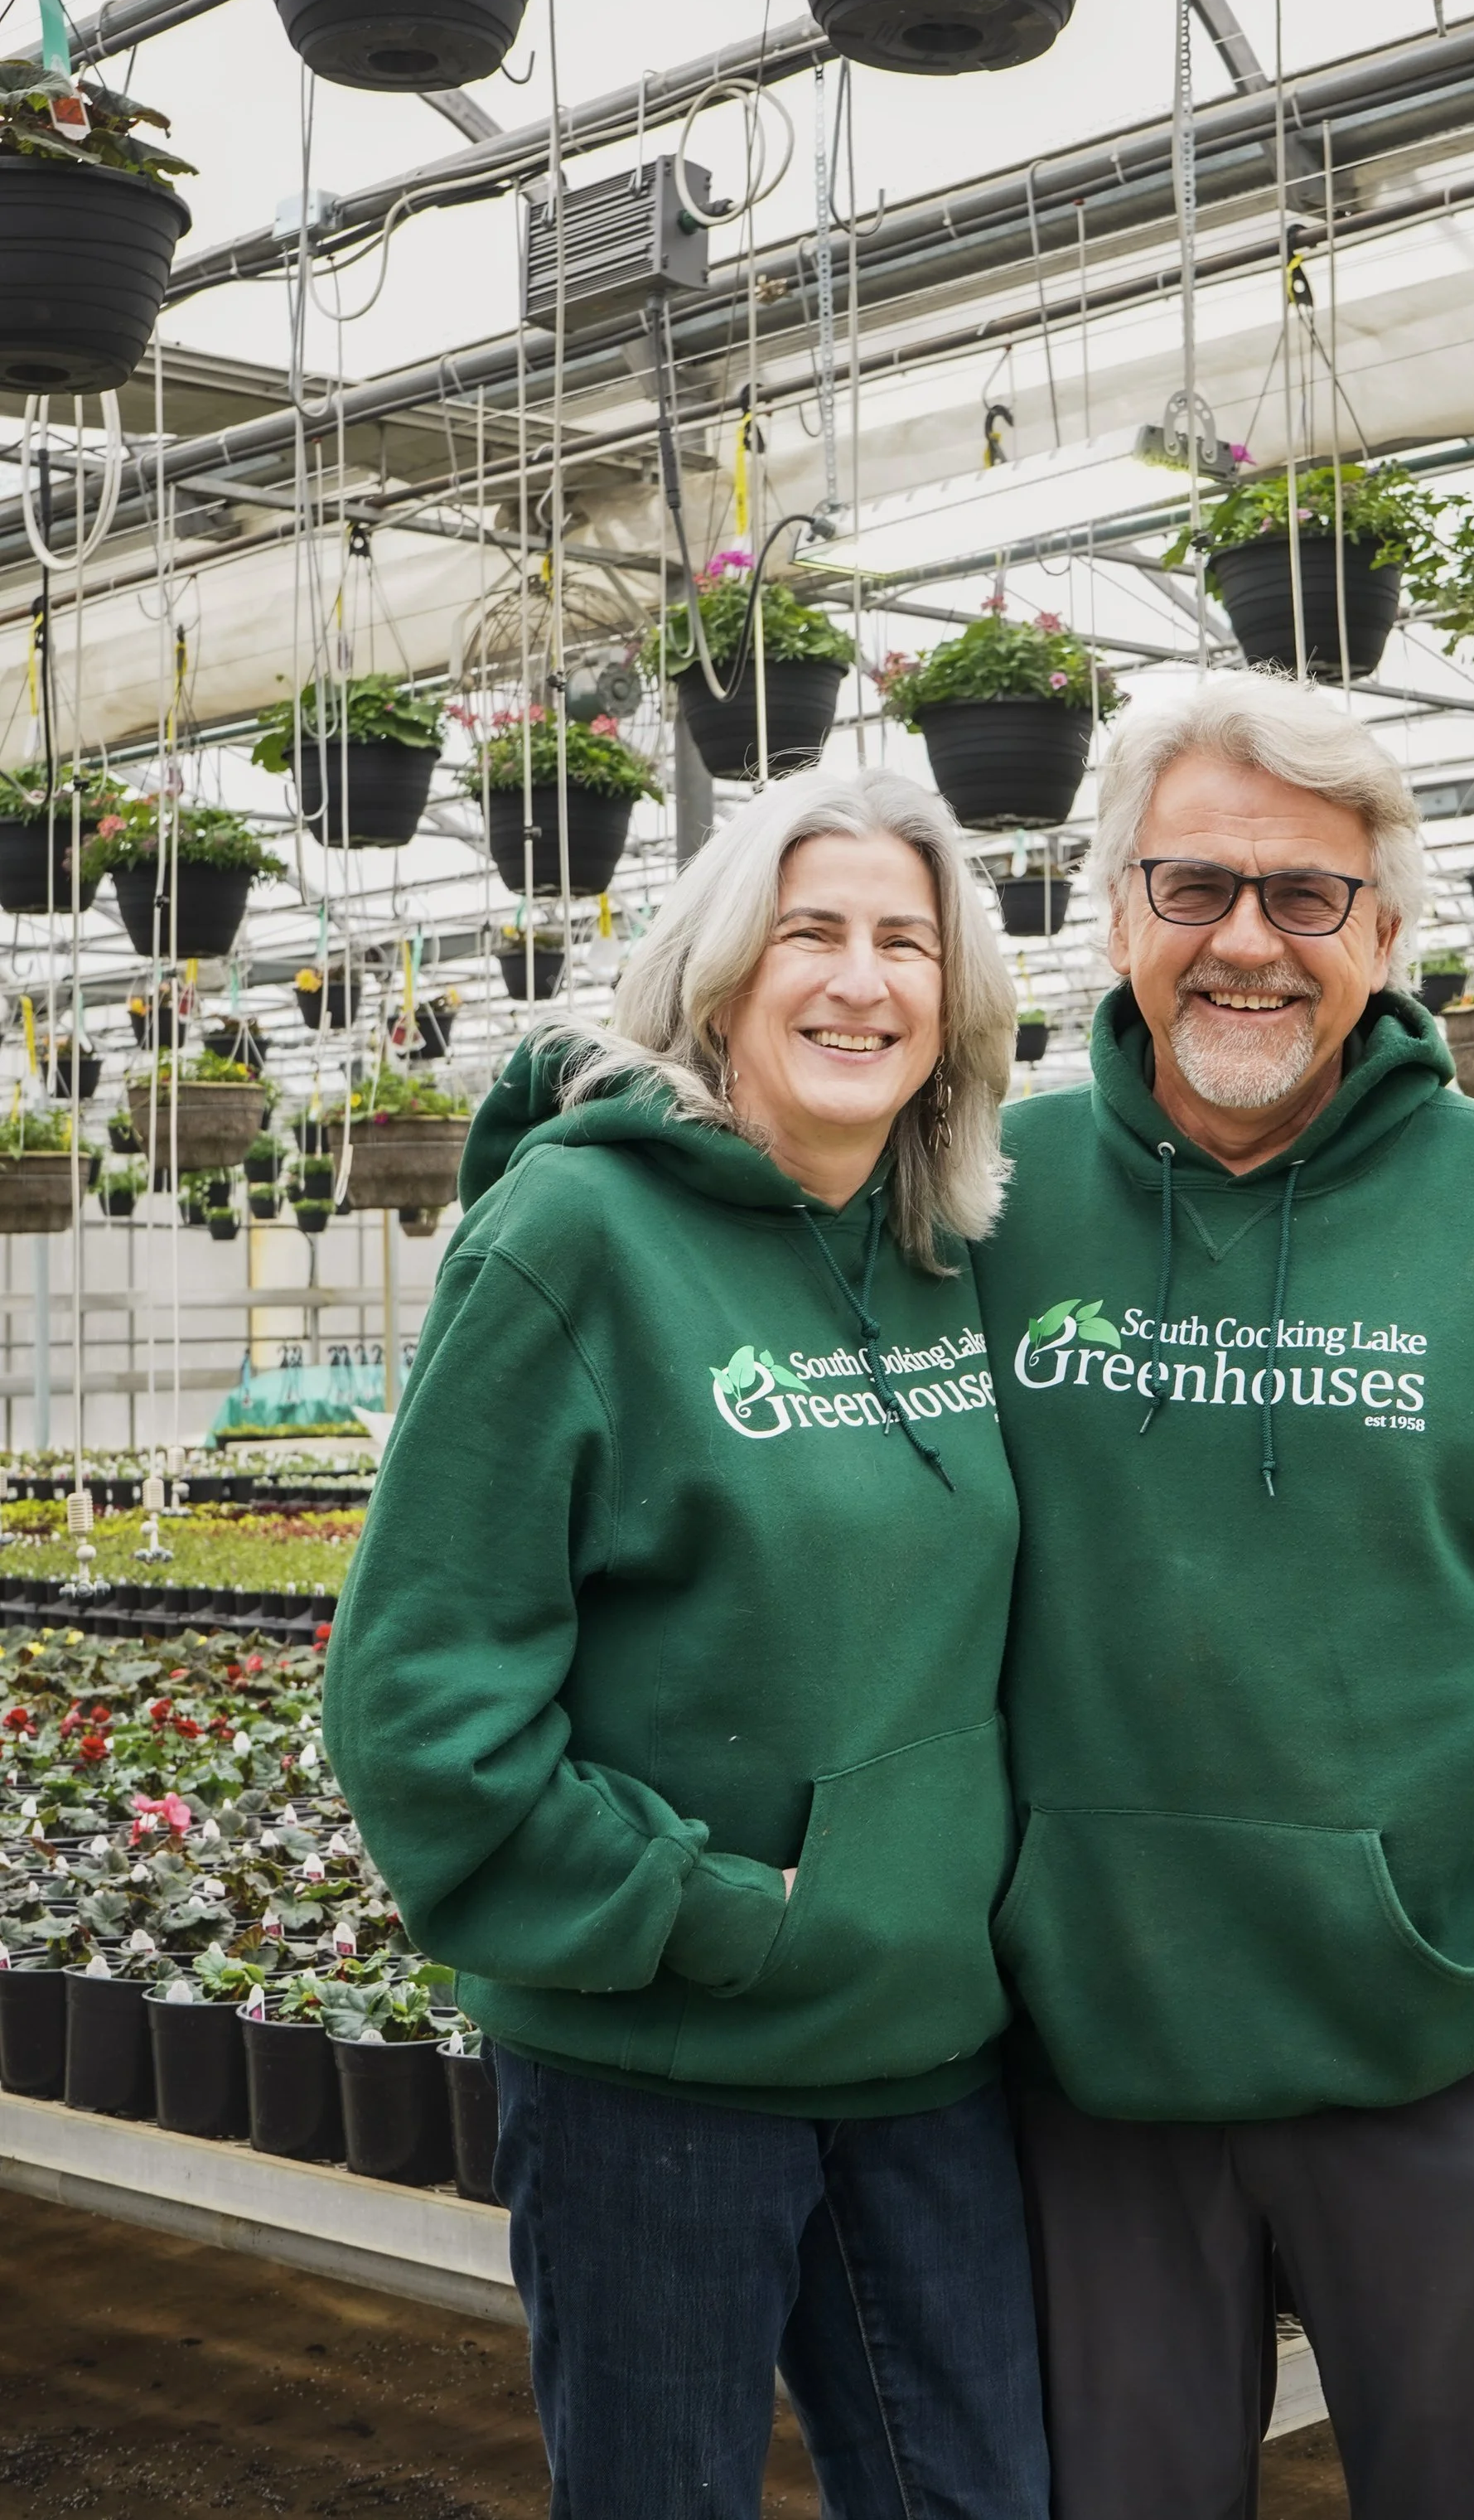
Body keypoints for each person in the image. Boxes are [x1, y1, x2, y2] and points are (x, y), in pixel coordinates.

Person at [970, 670, 1474, 2520]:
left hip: (1446, 2072)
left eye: (1303, 897)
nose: (1244, 942)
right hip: (1084, 2086)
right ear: (1113, 912)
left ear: (1385, 933)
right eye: (1191, 887)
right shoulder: (984, 1197)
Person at [323, 767, 1047, 2520]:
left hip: (930, 2063)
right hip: (658, 2072)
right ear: (716, 975)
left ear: (953, 1005)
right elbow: (417, 1703)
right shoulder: (573, 1242)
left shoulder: (952, 1252)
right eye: (811, 933)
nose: (860, 980)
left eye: (904, 941)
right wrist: (709, 1910)